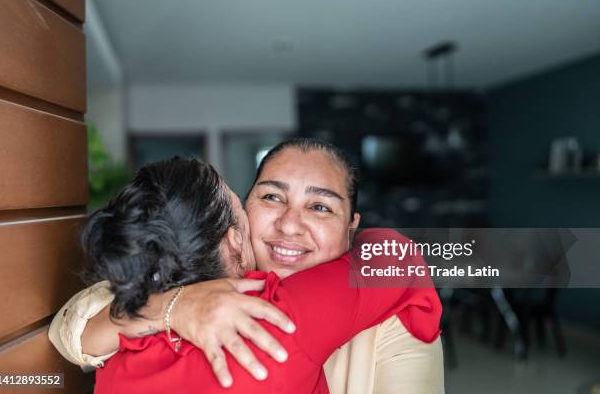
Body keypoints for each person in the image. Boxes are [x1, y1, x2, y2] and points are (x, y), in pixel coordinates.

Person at [49, 138, 445, 393]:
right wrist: (179, 305)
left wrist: (168, 307)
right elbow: (69, 329)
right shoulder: (280, 317)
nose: (289, 224)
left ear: (350, 226)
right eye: (270, 198)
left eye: (320, 207)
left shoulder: (127, 331)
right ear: (238, 236)